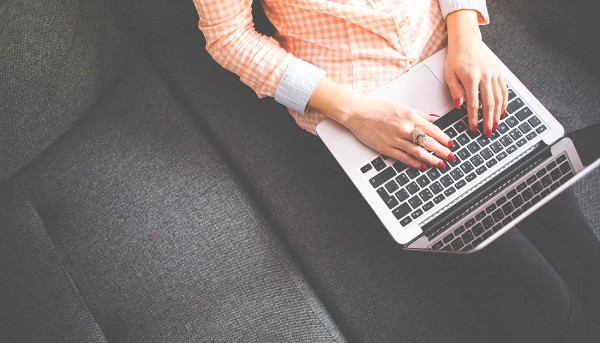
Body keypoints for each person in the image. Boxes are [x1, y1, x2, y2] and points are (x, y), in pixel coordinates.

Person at [192, 1, 600, 341]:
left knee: (585, 259)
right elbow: (229, 37)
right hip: (362, 115)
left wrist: (467, 37)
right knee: (550, 309)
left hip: (453, 68)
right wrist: (356, 112)